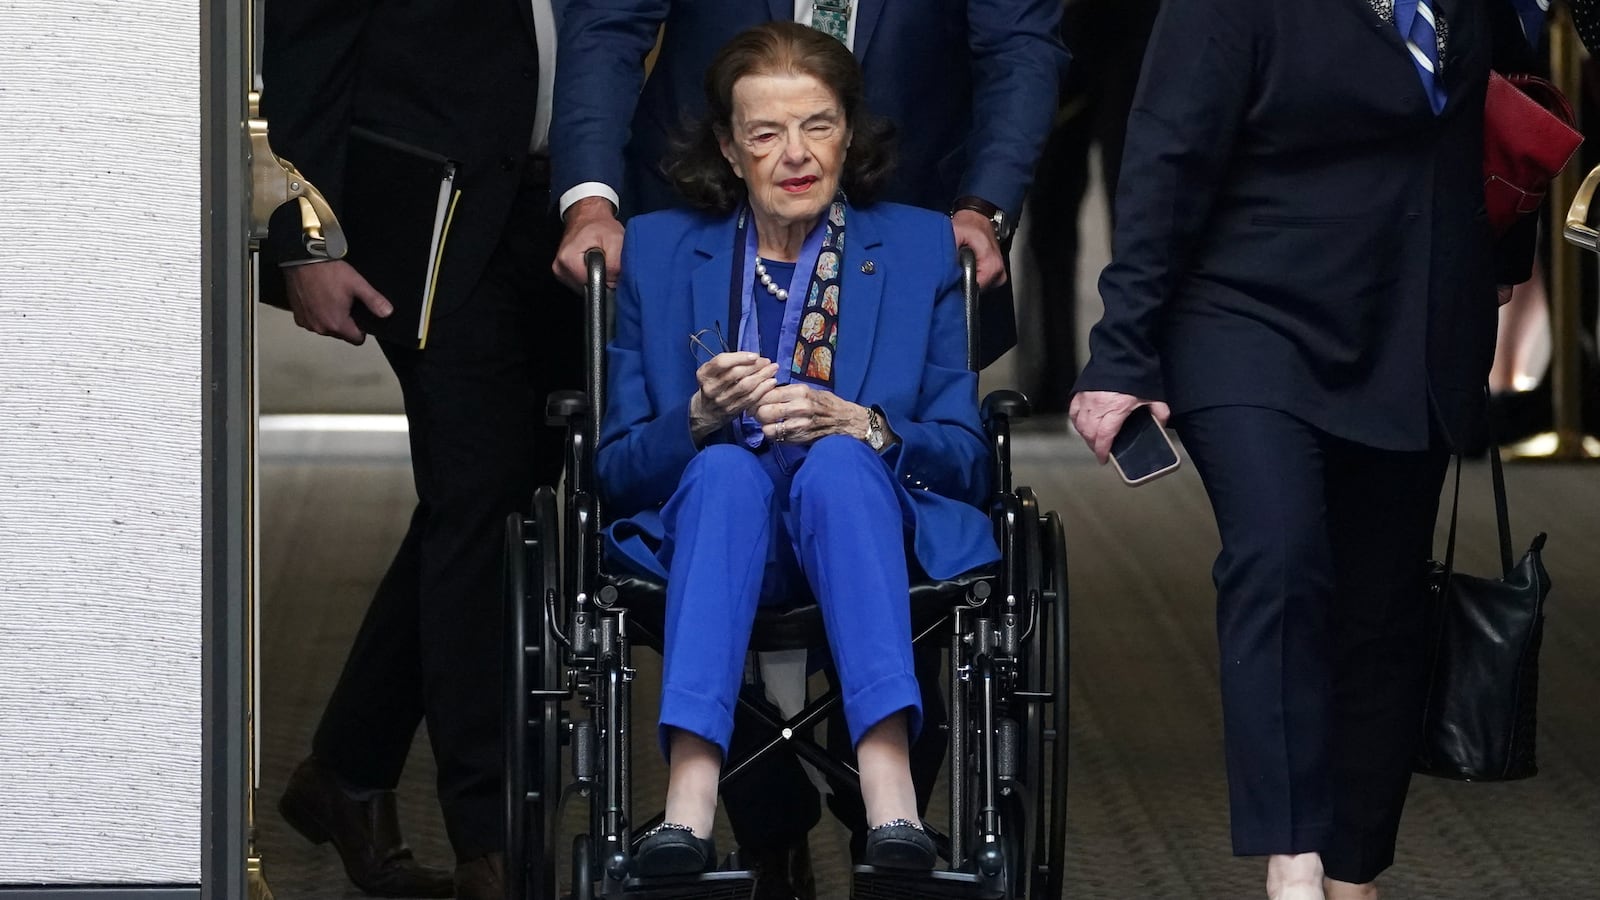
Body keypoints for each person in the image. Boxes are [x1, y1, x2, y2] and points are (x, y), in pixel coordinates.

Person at [551, 9, 1061, 893]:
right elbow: (618, 469)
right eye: (767, 132)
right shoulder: (664, 251)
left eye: (819, 125)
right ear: (727, 145)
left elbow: (969, 462)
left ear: (850, 132)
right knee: (720, 471)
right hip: (715, 532)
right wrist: (700, 419)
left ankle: (889, 791)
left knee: (836, 464)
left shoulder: (916, 245)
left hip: (866, 530)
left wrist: (863, 425)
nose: (797, 153)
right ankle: (689, 803)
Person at [1067, 0, 1538, 898]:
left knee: (1383, 605)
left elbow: (1507, 112)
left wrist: (1504, 245)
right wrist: (1122, 348)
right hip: (1248, 318)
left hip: (1414, 321)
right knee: (1278, 559)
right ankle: (1295, 857)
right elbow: (1166, 154)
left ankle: (1354, 870)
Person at [259, 1, 577, 897]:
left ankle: (344, 771)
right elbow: (306, 48)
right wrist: (305, 240)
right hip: (434, 215)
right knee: (480, 502)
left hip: (571, 210)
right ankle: (492, 838)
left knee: (494, 499)